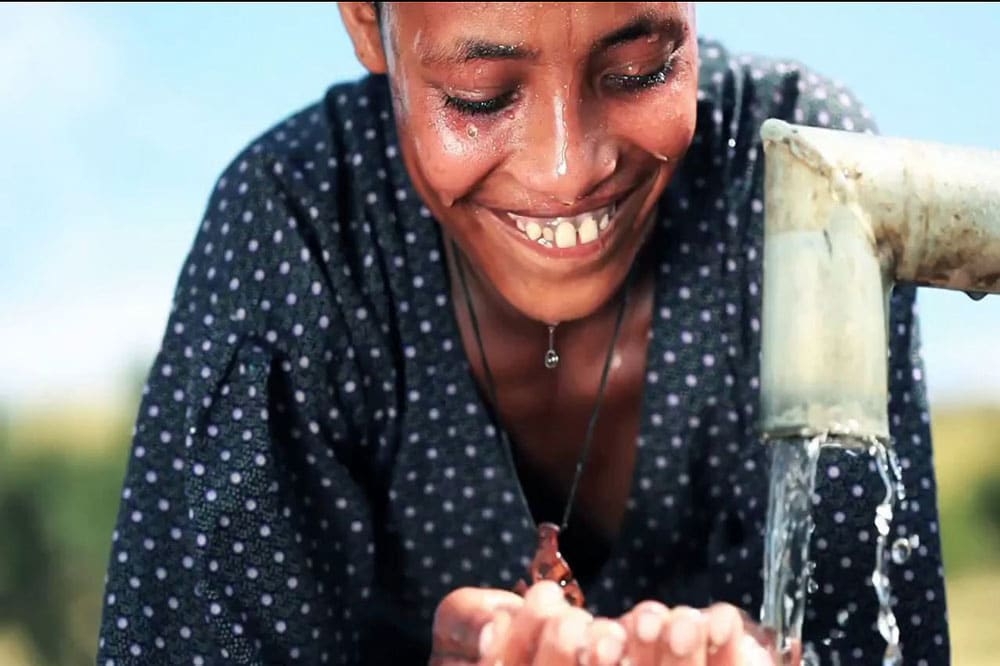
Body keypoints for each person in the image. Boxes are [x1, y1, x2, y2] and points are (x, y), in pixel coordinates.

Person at [95, 3, 951, 664]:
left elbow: (879, 633)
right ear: (367, 19)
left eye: (641, 71)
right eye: (482, 96)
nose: (566, 167)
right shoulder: (301, 231)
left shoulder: (806, 185)